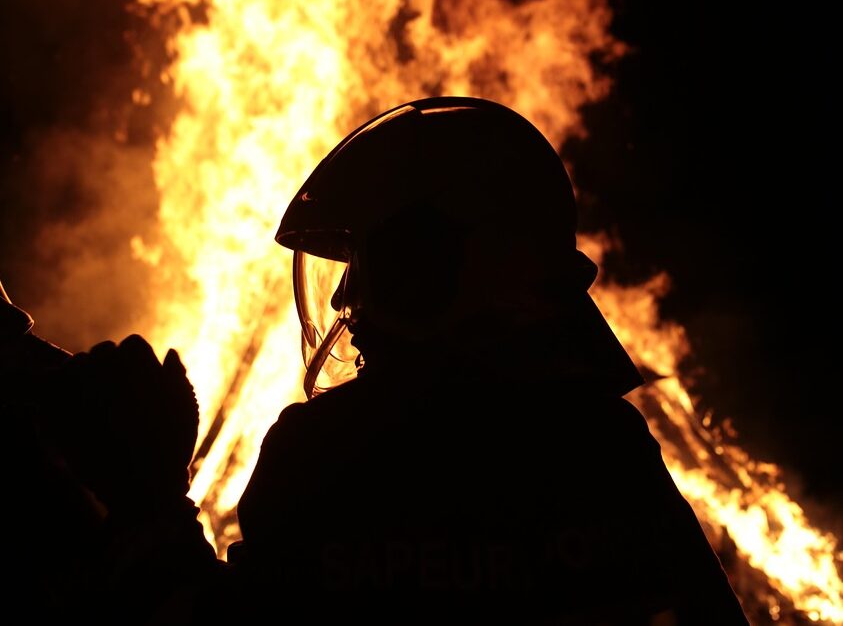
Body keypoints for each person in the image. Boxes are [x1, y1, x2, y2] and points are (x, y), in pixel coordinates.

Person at [34, 97, 750, 624]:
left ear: (430, 269)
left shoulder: (328, 455)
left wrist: (148, 499)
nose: (346, 295)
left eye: (372, 261)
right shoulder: (607, 453)